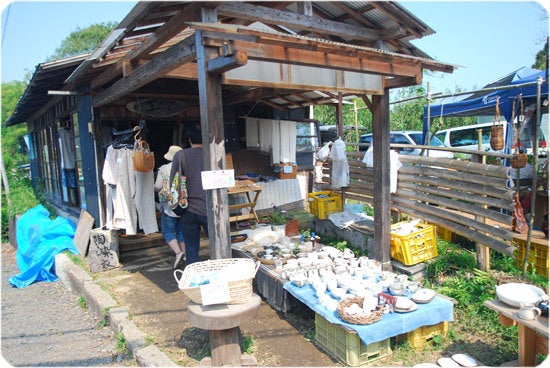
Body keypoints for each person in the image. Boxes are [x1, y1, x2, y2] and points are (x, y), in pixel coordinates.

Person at [170, 123, 208, 265]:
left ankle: (193, 277)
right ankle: (221, 275)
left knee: (191, 248)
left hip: (187, 209)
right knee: (219, 245)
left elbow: (173, 184)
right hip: (209, 209)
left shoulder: (180, 156)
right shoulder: (213, 154)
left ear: (189, 139)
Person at [154, 145, 186, 268]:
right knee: (181, 231)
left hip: (169, 206)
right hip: (184, 204)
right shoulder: (185, 168)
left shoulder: (163, 169)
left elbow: (157, 186)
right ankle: (186, 254)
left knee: (167, 230)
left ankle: (178, 253)